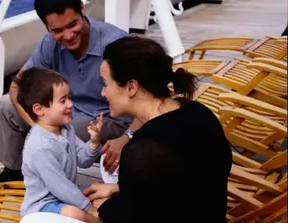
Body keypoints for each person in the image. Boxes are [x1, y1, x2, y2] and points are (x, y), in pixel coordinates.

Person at [0, 0, 139, 194]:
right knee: (7, 104)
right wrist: (38, 127)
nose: (68, 35)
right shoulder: (50, 44)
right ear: (47, 26)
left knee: (66, 131)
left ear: (82, 9)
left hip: (110, 119)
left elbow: (152, 97)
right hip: (66, 111)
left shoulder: (115, 44)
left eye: (73, 24)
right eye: (57, 30)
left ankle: (55, 187)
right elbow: (18, 85)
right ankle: (15, 170)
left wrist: (127, 136)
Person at [82, 36, 233, 222]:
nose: (103, 93)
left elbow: (127, 216)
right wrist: (123, 189)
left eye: (106, 83)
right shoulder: (198, 112)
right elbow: (182, 186)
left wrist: (97, 209)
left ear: (131, 87)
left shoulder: (144, 149)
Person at [16, 67, 102, 222]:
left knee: (99, 195)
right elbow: (60, 187)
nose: (70, 104)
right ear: (39, 109)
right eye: (63, 101)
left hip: (65, 194)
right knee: (74, 213)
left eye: (69, 98)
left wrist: (93, 143)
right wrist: (90, 209)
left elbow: (83, 160)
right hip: (43, 204)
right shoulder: (40, 147)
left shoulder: (65, 129)